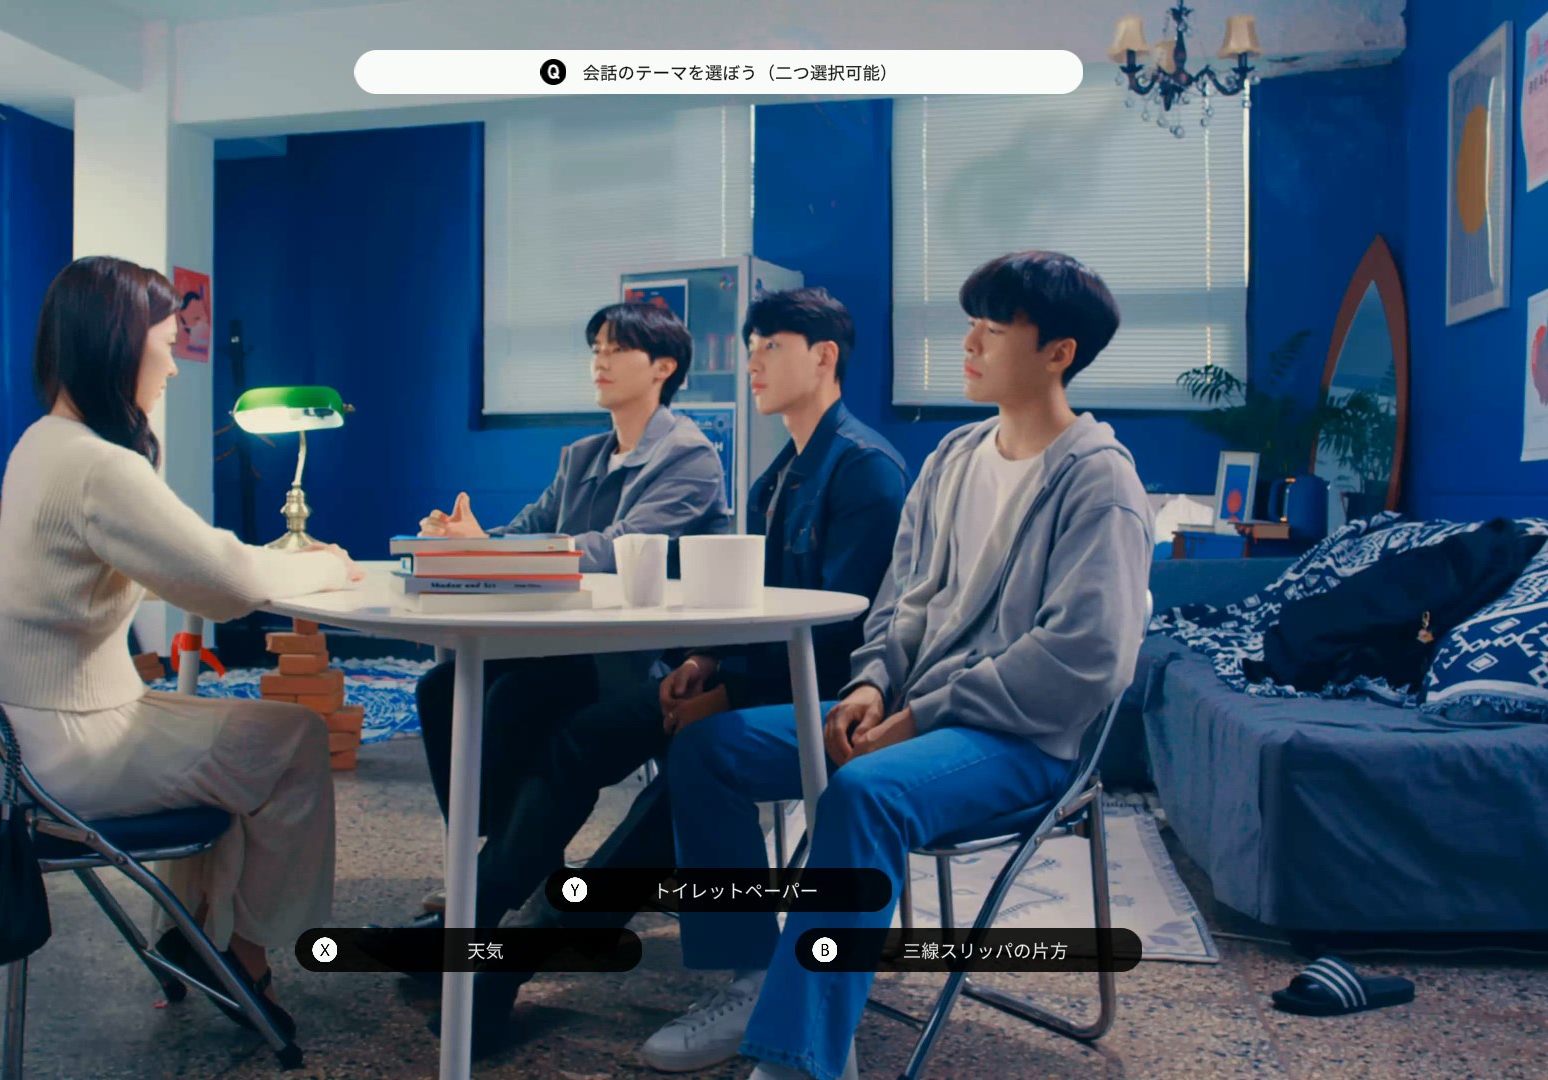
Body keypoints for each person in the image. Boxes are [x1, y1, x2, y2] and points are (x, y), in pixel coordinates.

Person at [643, 252, 1154, 1079]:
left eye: (994, 328)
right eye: (971, 323)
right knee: (708, 750)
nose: (970, 342)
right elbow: (901, 601)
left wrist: (922, 715)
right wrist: (872, 684)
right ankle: (754, 980)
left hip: (1022, 738)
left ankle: (798, 1059)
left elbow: (1085, 657)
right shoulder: (954, 457)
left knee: (864, 791)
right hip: (913, 713)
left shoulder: (1100, 481)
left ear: (1059, 352)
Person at [419, 288, 908, 1045]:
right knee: (566, 731)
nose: (752, 362)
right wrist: (708, 662)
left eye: (770, 346)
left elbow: (840, 635)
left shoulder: (863, 470)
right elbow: (760, 603)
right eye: (750, 347)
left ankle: (525, 948)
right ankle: (483, 908)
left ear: (824, 357)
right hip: (743, 675)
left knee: (694, 760)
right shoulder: (777, 477)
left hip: (829, 696)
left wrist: (725, 686)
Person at [0, 255, 363, 1040]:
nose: (177, 367)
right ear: (119, 344)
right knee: (293, 739)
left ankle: (196, 934)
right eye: (167, 343)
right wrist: (324, 564)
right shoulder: (98, 466)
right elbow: (226, 582)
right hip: (64, 754)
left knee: (244, 740)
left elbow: (135, 572)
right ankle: (241, 959)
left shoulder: (41, 445)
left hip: (12, 743)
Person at [407, 302, 728, 909]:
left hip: (645, 660)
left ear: (664, 367)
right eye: (595, 349)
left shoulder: (689, 456)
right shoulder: (582, 455)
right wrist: (468, 539)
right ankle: (507, 855)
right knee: (442, 689)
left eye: (617, 349)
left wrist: (492, 551)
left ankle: (496, 879)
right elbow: (524, 530)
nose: (600, 361)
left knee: (517, 699)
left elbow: (615, 548)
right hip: (570, 647)